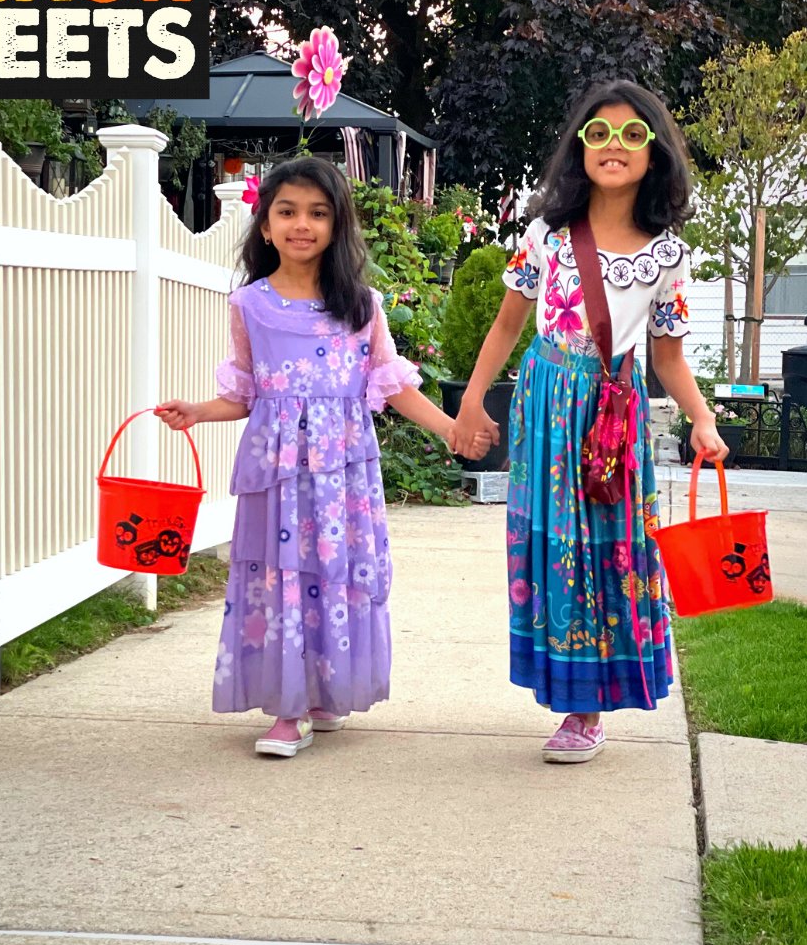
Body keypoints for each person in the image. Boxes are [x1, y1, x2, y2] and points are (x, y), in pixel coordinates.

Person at [157, 158, 490, 758]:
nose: (301, 224)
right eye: (286, 211)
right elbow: (244, 394)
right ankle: (287, 709)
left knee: (334, 575)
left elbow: (392, 386)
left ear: (338, 226)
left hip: (342, 476)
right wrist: (198, 411)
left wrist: (450, 430)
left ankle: (321, 694)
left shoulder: (361, 306)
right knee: (281, 577)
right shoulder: (249, 305)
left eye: (318, 212)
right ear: (264, 225)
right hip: (278, 474)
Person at [450, 80, 728, 763]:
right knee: (554, 549)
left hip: (610, 415)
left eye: (632, 135)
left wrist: (702, 419)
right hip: (544, 404)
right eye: (598, 133)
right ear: (580, 146)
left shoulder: (667, 254)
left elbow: (667, 356)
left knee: (609, 548)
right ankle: (565, 690)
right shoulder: (545, 233)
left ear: (654, 153)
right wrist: (472, 398)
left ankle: (587, 711)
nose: (613, 146)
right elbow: (507, 322)